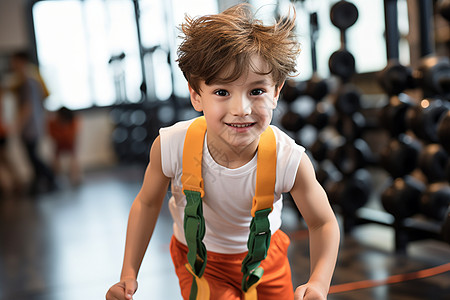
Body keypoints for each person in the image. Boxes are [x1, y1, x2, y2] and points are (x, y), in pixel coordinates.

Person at [106, 4, 340, 300]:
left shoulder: (289, 159)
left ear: (276, 92)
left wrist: (319, 283)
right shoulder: (171, 146)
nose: (240, 109)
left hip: (267, 260)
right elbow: (147, 204)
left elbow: (323, 222)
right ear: (196, 95)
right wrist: (128, 273)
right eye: (221, 92)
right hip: (202, 264)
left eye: (256, 91)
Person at [9, 51, 56, 193]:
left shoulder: (27, 82)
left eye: (15, 61)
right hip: (35, 124)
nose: (13, 64)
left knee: (33, 156)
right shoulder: (31, 80)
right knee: (32, 155)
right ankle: (40, 183)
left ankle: (52, 179)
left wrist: (17, 125)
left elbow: (27, 107)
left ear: (21, 62)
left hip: (30, 126)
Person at [47, 106, 81, 185]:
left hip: (70, 143)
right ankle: (55, 178)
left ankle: (75, 177)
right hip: (59, 144)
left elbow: (73, 135)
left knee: (74, 160)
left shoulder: (73, 121)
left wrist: (63, 133)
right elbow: (52, 134)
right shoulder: (53, 123)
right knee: (55, 161)